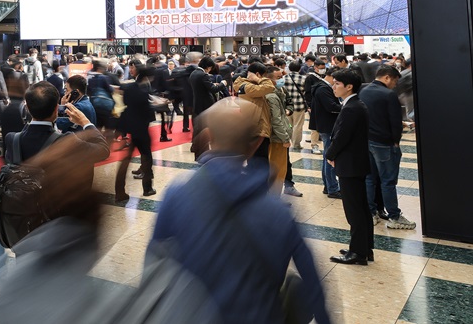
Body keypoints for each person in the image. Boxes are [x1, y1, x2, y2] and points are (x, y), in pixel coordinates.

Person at [149, 99, 331, 324]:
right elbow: (313, 284)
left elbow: (154, 268)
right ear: (256, 144)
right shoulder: (277, 212)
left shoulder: (176, 195)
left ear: (207, 137)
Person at [326, 69, 373, 265]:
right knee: (360, 208)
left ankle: (358, 253)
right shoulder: (353, 105)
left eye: (337, 83)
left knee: (354, 210)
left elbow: (342, 136)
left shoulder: (352, 107)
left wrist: (330, 154)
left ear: (349, 86)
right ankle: (363, 247)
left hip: (350, 164)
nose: (333, 86)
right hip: (354, 163)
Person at [360, 65, 415, 230]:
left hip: (367, 141)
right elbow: (394, 121)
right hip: (384, 143)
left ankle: (371, 213)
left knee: (370, 179)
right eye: (394, 81)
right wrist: (396, 141)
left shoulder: (364, 90)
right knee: (388, 181)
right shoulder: (389, 94)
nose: (395, 85)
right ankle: (395, 216)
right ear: (387, 78)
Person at [115, 62, 156, 202]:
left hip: (129, 126)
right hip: (141, 130)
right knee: (147, 159)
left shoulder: (130, 87)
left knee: (125, 161)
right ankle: (147, 188)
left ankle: (119, 191)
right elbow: (147, 112)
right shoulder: (143, 92)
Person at [313, 67, 343, 199]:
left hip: (326, 125)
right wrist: (345, 106)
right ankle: (332, 188)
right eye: (336, 81)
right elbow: (331, 106)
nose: (336, 84)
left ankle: (328, 186)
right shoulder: (323, 89)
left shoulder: (321, 87)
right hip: (328, 126)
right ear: (330, 76)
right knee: (330, 157)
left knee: (327, 156)